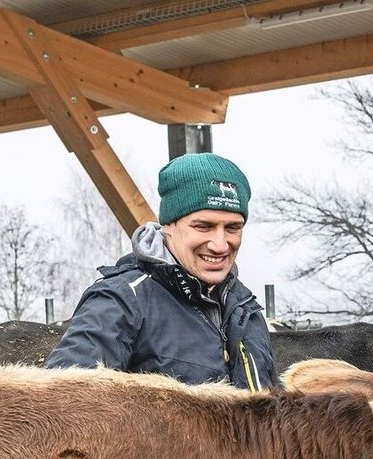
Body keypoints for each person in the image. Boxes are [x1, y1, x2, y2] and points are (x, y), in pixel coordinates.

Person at [46, 152, 276, 391]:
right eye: (203, 226)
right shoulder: (121, 301)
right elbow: (60, 405)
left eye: (232, 228)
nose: (220, 244)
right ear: (169, 226)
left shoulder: (246, 310)